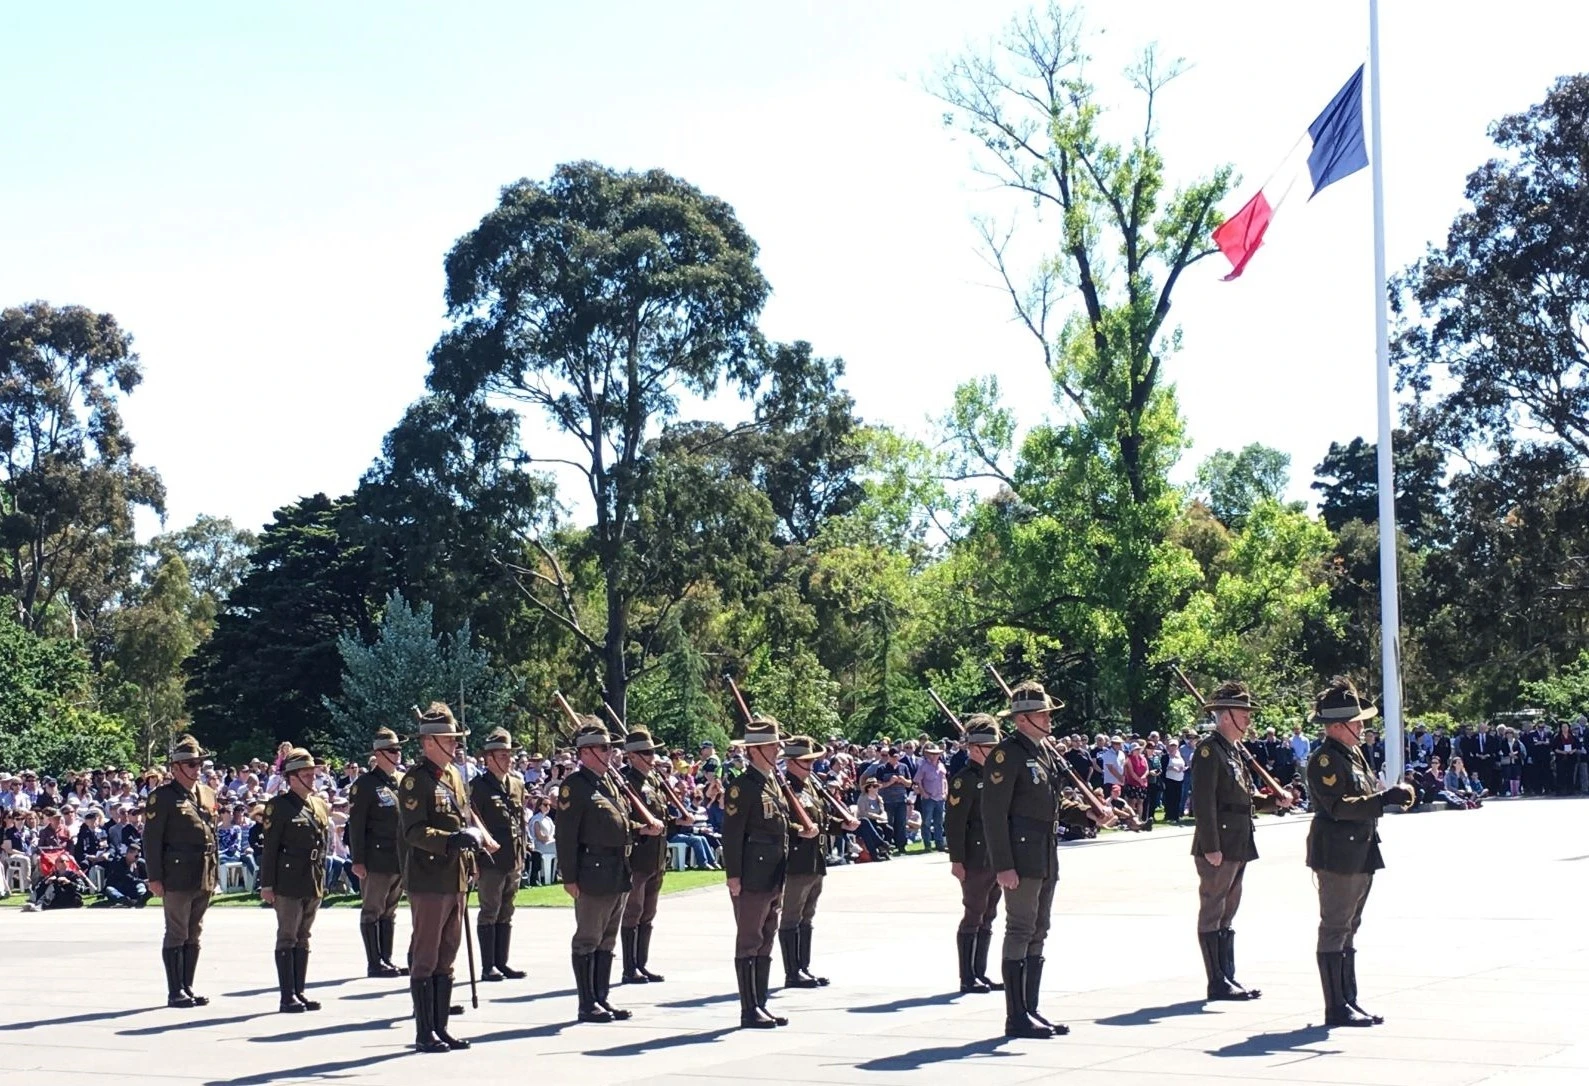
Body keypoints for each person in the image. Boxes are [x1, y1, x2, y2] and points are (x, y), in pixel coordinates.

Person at [1305, 677, 1416, 1028]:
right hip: (1338, 852)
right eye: (1355, 722)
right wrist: (1383, 800)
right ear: (1337, 726)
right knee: (1335, 925)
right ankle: (1336, 1006)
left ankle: (1348, 998)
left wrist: (1390, 794)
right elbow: (1339, 806)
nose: (1361, 727)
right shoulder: (1326, 760)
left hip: (1360, 849)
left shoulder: (1351, 755)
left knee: (1350, 926)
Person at [1189, 681, 1292, 1003]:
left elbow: (1243, 799)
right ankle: (1217, 981)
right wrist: (1211, 846)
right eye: (1242, 712)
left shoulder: (1232, 751)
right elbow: (1204, 802)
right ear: (1225, 716)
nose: (1248, 718)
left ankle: (1227, 976)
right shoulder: (1209, 751)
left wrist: (1273, 801)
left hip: (1239, 839)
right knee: (1213, 908)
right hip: (1220, 841)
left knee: (1228, 910)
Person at [401, 703, 495, 1053]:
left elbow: (462, 815)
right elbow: (414, 831)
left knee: (447, 953)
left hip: (456, 876)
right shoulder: (415, 781)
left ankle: (441, 1027)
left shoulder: (453, 776)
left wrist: (470, 847)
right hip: (429, 877)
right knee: (426, 954)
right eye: (449, 739)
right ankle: (424, 1031)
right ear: (429, 742)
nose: (456, 744)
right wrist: (451, 840)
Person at [983, 681, 1068, 1039]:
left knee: (1039, 928)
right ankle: (1016, 1015)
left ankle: (1031, 1009)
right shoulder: (1008, 755)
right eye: (1042, 714)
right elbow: (993, 813)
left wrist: (1088, 814)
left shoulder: (1043, 752)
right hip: (1020, 855)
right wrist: (1003, 864)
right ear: (1022, 720)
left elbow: (1049, 805)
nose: (1048, 719)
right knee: (1020, 928)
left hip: (1045, 852)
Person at [723, 715, 807, 1029]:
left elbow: (776, 826)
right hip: (752, 874)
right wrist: (733, 876)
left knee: (767, 937)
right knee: (749, 939)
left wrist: (800, 830)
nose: (777, 750)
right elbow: (732, 834)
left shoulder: (771, 783)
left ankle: (760, 1003)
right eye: (772, 745)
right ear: (755, 750)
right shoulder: (742, 787)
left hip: (774, 872)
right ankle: (749, 1009)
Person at [555, 718, 637, 1023]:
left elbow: (619, 822)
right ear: (586, 752)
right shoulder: (575, 786)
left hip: (617, 869)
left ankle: (602, 997)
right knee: (588, 938)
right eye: (604, 748)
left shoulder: (609, 783)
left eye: (610, 747)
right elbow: (566, 835)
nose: (610, 752)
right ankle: (587, 1002)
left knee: (608, 939)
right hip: (593, 870)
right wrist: (570, 877)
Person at [143, 734, 221, 1009]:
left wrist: (215, 871)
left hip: (203, 871)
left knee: (194, 930)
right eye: (191, 764)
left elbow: (213, 833)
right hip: (176, 873)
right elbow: (152, 840)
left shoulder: (207, 793)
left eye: (199, 763)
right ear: (175, 768)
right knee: (177, 931)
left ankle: (188, 986)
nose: (197, 769)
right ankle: (175, 990)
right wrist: (155, 877)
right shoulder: (162, 797)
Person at [779, 734, 858, 990]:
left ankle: (804, 967)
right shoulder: (784, 789)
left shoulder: (810, 787)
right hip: (797, 861)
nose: (811, 765)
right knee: (791, 916)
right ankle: (792, 972)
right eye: (806, 761)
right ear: (791, 762)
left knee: (807, 916)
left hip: (815, 860)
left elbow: (821, 820)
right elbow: (779, 823)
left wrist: (842, 825)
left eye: (812, 760)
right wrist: (798, 831)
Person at [259, 748, 331, 1013]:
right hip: (287, 879)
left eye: (313, 773)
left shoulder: (318, 804)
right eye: (306, 774)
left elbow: (322, 843)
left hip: (312, 876)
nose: (312, 778)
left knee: (304, 936)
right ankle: (287, 995)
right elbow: (270, 848)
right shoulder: (278, 807)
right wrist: (267, 884)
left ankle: (299, 991)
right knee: (288, 935)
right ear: (292, 777)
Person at [945, 714, 1004, 995]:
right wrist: (956, 860)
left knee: (989, 914)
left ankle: (980, 972)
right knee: (973, 914)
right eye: (989, 747)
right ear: (975, 748)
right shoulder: (964, 781)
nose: (994, 751)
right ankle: (967, 976)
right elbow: (954, 824)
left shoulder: (995, 777)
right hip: (974, 857)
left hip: (996, 857)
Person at [347, 726, 407, 979]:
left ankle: (387, 959)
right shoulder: (365, 785)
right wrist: (358, 860)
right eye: (392, 750)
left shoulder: (401, 782)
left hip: (398, 858)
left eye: (399, 749)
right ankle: (374, 962)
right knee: (373, 909)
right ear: (379, 754)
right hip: (376, 858)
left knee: (390, 910)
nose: (398, 753)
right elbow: (356, 826)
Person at [470, 726, 529, 983]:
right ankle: (488, 966)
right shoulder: (478, 788)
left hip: (513, 858)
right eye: (503, 755)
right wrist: (474, 862)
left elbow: (520, 821)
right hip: (490, 861)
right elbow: (473, 826)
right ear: (489, 758)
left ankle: (502, 962)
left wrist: (523, 852)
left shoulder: (516, 784)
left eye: (510, 755)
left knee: (507, 910)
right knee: (490, 910)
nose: (509, 759)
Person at [618, 725, 671, 985]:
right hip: (637, 858)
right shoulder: (624, 783)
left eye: (653, 752)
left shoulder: (653, 781)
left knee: (648, 913)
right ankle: (630, 968)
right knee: (633, 912)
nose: (653, 758)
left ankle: (642, 963)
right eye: (647, 753)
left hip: (655, 857)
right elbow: (621, 821)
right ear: (633, 756)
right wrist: (642, 829)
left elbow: (661, 816)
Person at [912, 743, 949, 852]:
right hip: (929, 798)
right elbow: (917, 780)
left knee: (939, 822)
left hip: (940, 797)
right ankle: (927, 844)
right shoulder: (924, 766)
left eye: (936, 754)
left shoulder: (941, 765)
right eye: (932, 754)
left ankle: (939, 843)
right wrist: (923, 793)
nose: (934, 756)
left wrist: (946, 792)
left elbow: (944, 780)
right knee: (927, 822)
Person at [105, 842, 153, 907]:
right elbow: (128, 877)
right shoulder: (119, 862)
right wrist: (143, 881)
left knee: (140, 885)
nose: (137, 858)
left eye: (139, 856)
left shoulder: (141, 863)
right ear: (128, 854)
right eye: (136, 856)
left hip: (133, 888)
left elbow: (149, 874)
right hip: (120, 887)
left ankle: (142, 899)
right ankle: (124, 900)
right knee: (109, 889)